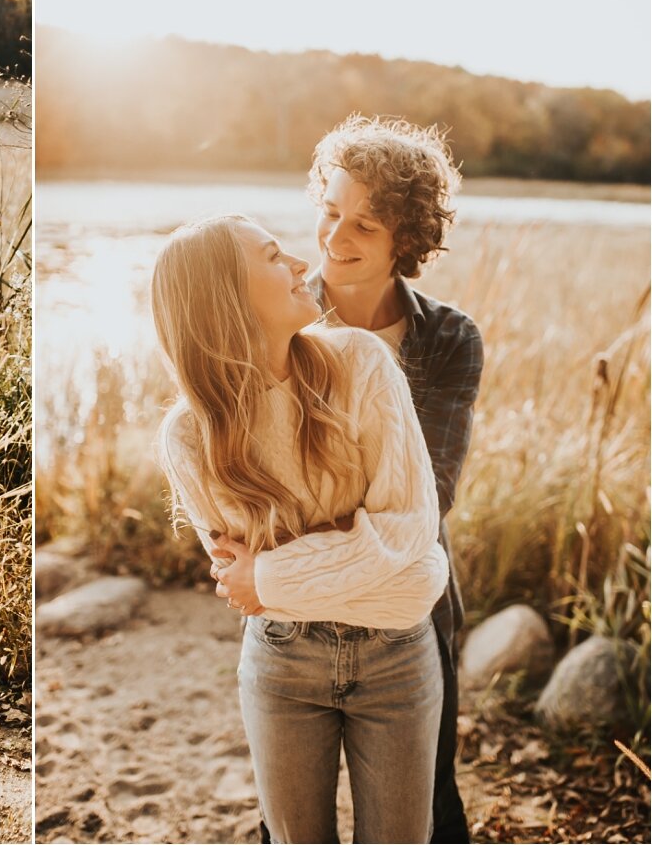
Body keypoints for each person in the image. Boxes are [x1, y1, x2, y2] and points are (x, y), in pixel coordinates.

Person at [152, 214, 450, 843]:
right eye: (271, 256)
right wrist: (352, 549)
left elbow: (413, 545)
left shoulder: (363, 364)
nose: (298, 264)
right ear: (226, 295)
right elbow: (240, 582)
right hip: (282, 662)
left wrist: (275, 571)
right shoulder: (189, 435)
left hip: (398, 657)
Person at [298, 114, 479, 843]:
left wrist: (313, 512)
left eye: (365, 226)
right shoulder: (271, 316)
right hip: (292, 609)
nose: (336, 239)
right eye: (331, 213)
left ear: (406, 241)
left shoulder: (447, 339)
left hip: (414, 609)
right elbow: (253, 482)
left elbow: (428, 499)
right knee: (290, 816)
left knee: (430, 805)